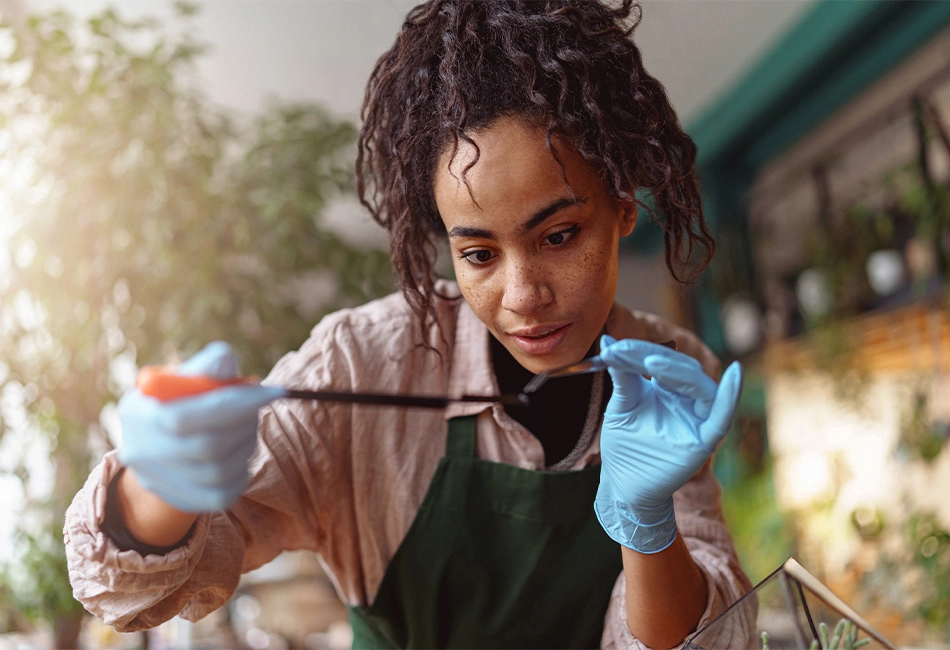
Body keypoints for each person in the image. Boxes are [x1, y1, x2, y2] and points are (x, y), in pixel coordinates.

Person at [65, 1, 754, 647]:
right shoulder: (366, 361)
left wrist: (649, 527)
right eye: (478, 253)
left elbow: (710, 642)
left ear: (622, 209)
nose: (523, 295)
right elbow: (134, 592)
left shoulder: (664, 370)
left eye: (559, 235)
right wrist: (154, 492)